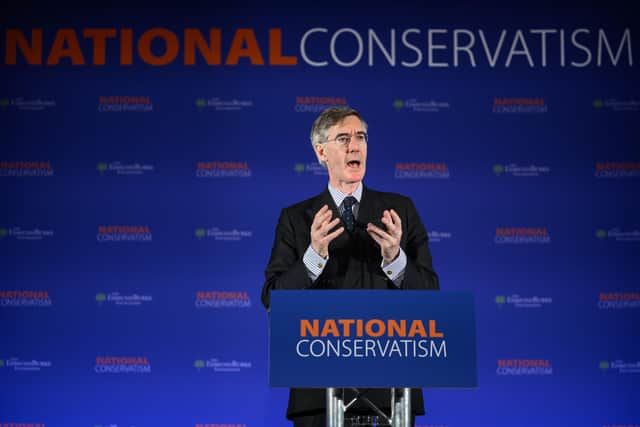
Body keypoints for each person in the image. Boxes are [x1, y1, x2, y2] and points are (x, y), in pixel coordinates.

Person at [261, 106, 439, 427]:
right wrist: (313, 256)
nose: (354, 145)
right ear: (321, 152)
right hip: (317, 394)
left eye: (361, 137)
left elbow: (431, 297)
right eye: (343, 138)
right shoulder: (297, 219)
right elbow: (274, 299)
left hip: (392, 394)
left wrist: (396, 260)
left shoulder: (399, 211)